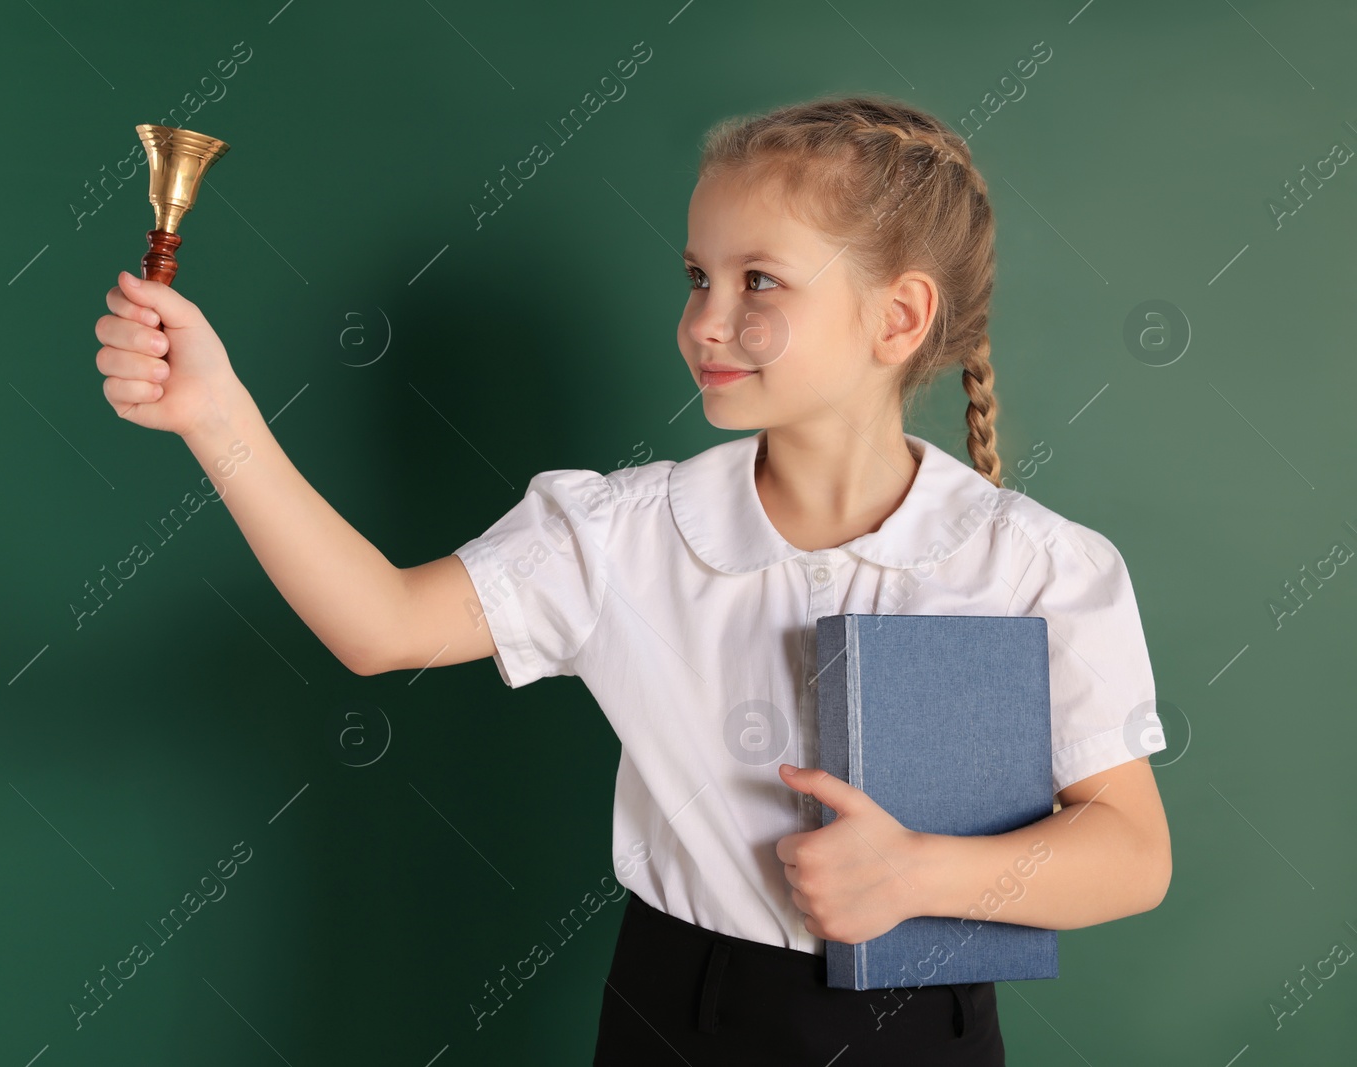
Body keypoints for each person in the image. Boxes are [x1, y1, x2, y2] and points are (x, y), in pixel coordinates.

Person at [92, 93, 1172, 1066]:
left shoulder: (1033, 564)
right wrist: (216, 416)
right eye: (698, 276)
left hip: (920, 1029)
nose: (706, 320)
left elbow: (1129, 853)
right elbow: (384, 623)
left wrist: (921, 876)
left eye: (759, 281)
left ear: (897, 317)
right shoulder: (619, 531)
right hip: (682, 1012)